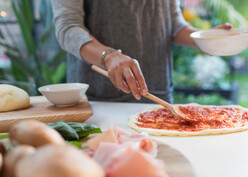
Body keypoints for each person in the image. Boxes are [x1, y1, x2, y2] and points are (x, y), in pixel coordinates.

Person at [51, 0, 231, 103]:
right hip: (99, 100)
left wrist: (203, 39)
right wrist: (108, 56)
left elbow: (173, 23)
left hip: (157, 96)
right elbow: (68, 28)